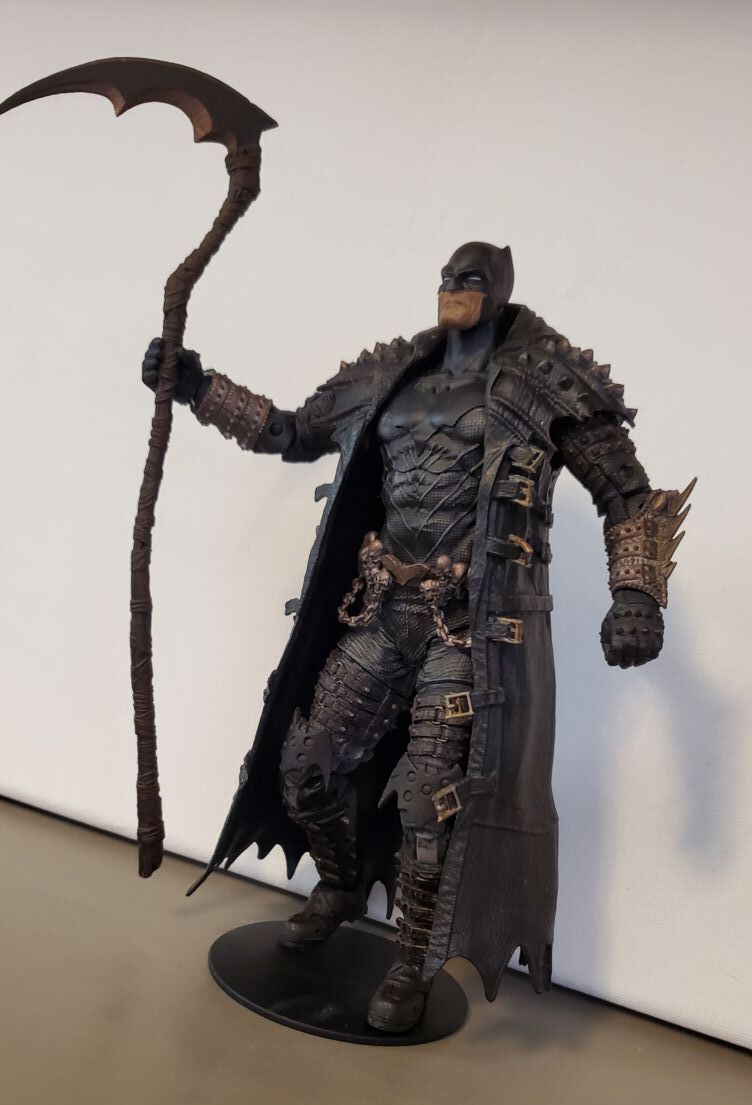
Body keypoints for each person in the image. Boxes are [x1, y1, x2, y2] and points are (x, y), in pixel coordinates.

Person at [142, 242, 691, 1032]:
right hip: (380, 612)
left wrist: (637, 595)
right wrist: (198, 386)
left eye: (472, 278)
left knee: (431, 808)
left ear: (500, 290)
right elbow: (291, 432)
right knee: (305, 768)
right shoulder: (388, 376)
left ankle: (411, 963)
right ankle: (339, 887)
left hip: (468, 631)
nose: (454, 287)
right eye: (447, 276)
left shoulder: (547, 380)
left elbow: (628, 494)